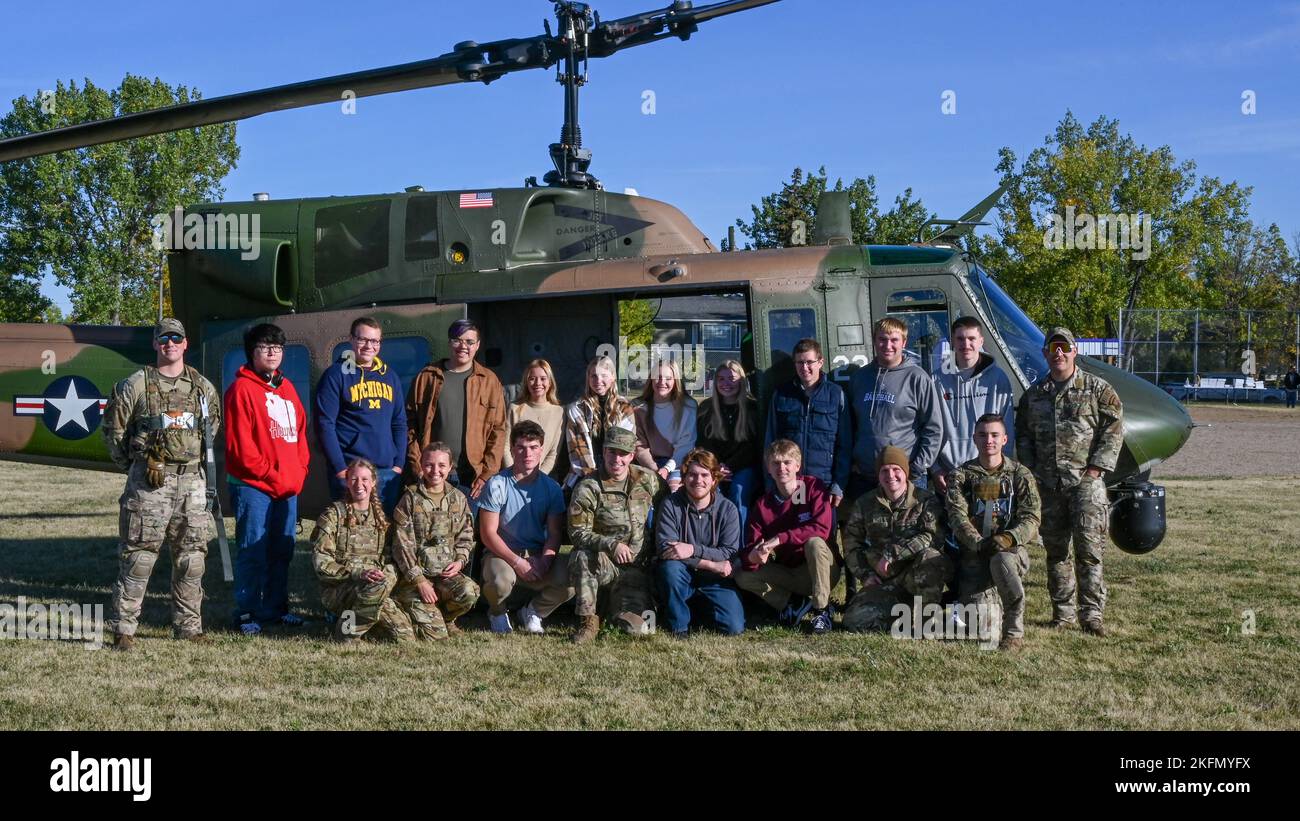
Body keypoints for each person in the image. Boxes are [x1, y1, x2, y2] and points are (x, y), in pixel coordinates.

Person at [101, 318, 222, 650]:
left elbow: (211, 429)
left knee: (192, 557)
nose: (170, 343)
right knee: (139, 557)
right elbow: (114, 432)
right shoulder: (136, 384)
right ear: (155, 344)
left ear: (185, 344)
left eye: (176, 338)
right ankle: (124, 629)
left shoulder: (202, 388)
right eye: (163, 338)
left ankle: (189, 627)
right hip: (150, 484)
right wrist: (137, 465)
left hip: (192, 484)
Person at [1015, 327, 1123, 636]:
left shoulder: (1098, 389)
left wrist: (1096, 470)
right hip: (1048, 487)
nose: (1058, 352)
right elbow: (1023, 436)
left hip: (1086, 485)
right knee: (1056, 552)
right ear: (1045, 353)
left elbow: (1113, 430)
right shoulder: (1033, 396)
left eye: (1064, 347)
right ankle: (1062, 614)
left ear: (1074, 351)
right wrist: (1032, 471)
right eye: (1053, 348)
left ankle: (1092, 614)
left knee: (1089, 552)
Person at [223, 322, 311, 636]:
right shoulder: (241, 390)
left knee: (282, 549)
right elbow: (240, 449)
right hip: (254, 487)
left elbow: (300, 434)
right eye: (264, 346)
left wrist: (299, 471)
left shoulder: (286, 389)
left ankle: (275, 608)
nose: (272, 352)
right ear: (252, 352)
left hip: (287, 487)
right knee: (252, 550)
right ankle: (247, 612)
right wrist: (271, 475)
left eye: (277, 346)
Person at [945, 414, 1040, 651]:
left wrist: (1008, 538)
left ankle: (1014, 632)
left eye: (995, 435)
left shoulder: (1020, 474)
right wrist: (978, 543)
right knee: (980, 626)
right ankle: (989, 602)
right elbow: (957, 516)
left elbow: (1032, 517)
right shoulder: (960, 476)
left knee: (1002, 561)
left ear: (1005, 439)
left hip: (1009, 552)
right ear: (974, 439)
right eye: (983, 435)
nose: (989, 440)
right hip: (974, 555)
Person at [567, 426, 665, 643]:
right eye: (612, 452)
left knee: (642, 630)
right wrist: (611, 545)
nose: (617, 459)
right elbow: (577, 532)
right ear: (604, 452)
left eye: (623, 453)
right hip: (605, 564)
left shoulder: (648, 479)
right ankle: (588, 622)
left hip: (637, 569)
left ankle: (613, 607)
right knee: (582, 556)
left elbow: (669, 506)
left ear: (631, 455)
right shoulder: (589, 486)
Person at [841, 446, 952, 633]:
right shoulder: (865, 503)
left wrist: (893, 554)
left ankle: (926, 620)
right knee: (853, 621)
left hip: (917, 575)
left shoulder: (925, 500)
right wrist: (866, 574)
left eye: (896, 469)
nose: (890, 475)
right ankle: (904, 616)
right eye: (884, 470)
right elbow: (851, 543)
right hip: (885, 581)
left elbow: (932, 537)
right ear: (878, 475)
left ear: (905, 473)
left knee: (931, 556)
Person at [478, 420, 573, 634]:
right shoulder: (497, 484)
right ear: (512, 450)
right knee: (499, 581)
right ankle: (497, 612)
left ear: (541, 449)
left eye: (533, 447)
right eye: (520, 447)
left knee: (575, 575)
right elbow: (488, 533)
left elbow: (555, 532)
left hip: (537, 555)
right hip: (501, 556)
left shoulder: (552, 488)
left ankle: (533, 611)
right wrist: (517, 562)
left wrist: (545, 561)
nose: (527, 453)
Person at [736, 440, 838, 634]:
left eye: (787, 462)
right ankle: (794, 604)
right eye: (775, 463)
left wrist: (780, 539)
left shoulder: (813, 487)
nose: (781, 468)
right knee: (743, 575)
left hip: (821, 569)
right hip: (790, 572)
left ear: (797, 466)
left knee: (814, 543)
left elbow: (821, 529)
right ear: (768, 469)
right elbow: (751, 545)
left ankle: (821, 611)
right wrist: (754, 556)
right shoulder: (763, 505)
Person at [311, 458, 413, 643]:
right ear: (347, 481)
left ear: (373, 482)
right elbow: (322, 563)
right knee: (377, 589)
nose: (359, 485)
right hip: (341, 588)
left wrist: (384, 577)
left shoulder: (382, 519)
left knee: (404, 637)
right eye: (354, 479)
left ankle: (365, 625)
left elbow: (392, 560)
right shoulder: (333, 515)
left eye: (365, 479)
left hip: (377, 587)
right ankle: (346, 633)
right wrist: (359, 573)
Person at [405, 319, 507, 503]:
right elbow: (410, 424)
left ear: (477, 345)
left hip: (473, 477)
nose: (463, 346)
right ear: (449, 342)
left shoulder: (489, 381)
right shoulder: (427, 377)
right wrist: (417, 464)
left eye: (469, 342)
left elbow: (498, 430)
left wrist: (487, 473)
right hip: (433, 475)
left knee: (469, 531)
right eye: (457, 340)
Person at [315, 316, 407, 513]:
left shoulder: (390, 376)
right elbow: (325, 425)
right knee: (350, 533)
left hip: (385, 472)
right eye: (363, 339)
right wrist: (340, 468)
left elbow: (399, 423)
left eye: (374, 341)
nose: (368, 346)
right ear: (351, 339)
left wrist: (398, 465)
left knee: (384, 530)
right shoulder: (336, 375)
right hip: (351, 471)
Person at [389, 443, 481, 640]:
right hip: (414, 580)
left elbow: (465, 535)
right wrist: (419, 581)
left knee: (469, 591)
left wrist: (459, 561)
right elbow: (401, 546)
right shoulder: (410, 498)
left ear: (450, 468)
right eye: (429, 465)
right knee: (435, 636)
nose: (435, 471)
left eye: (441, 465)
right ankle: (406, 607)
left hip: (445, 576)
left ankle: (447, 618)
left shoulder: (458, 499)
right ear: (421, 465)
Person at [847, 317, 943, 499]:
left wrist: (916, 468)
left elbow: (934, 429)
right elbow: (850, 425)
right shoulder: (859, 378)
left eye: (894, 340)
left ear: (904, 342)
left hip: (904, 478)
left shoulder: (918, 378)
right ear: (875, 341)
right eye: (882, 339)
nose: (887, 345)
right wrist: (853, 462)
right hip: (865, 478)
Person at [653, 448, 745, 637]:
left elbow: (728, 552)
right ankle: (679, 626)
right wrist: (710, 563)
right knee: (670, 568)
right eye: (692, 475)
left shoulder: (728, 509)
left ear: (714, 479)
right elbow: (666, 549)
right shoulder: (671, 504)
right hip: (683, 573)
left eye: (704, 475)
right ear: (684, 478)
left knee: (734, 627)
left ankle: (695, 608)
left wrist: (691, 549)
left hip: (714, 578)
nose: (698, 480)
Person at [931, 316, 1016, 493]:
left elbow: (1006, 427)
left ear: (981, 341)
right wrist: (935, 469)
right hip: (950, 475)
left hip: (989, 473)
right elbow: (930, 427)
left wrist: (1003, 470)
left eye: (971, 339)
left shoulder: (997, 379)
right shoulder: (937, 380)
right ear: (952, 341)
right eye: (960, 339)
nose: (966, 344)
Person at [763, 338, 850, 507]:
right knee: (793, 532)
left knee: (822, 533)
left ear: (820, 362)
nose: (805, 368)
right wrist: (770, 482)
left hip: (823, 484)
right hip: (790, 483)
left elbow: (844, 444)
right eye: (800, 362)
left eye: (809, 362)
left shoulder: (836, 395)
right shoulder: (781, 394)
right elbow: (770, 440)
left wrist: (839, 485)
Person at [696, 359, 761, 531]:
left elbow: (753, 446)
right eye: (721, 379)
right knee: (711, 494)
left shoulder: (753, 408)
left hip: (744, 466)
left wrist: (730, 467)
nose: (726, 383)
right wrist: (716, 467)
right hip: (714, 466)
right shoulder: (706, 408)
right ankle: (716, 546)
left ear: (741, 380)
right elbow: (704, 443)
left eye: (732, 378)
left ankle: (739, 549)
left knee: (738, 492)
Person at [564, 354, 636, 490]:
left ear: (613, 377)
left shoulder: (625, 408)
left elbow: (625, 447)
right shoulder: (576, 410)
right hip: (584, 472)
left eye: (604, 375)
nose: (598, 380)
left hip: (616, 468)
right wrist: (593, 477)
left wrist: (610, 475)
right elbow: (577, 449)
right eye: (594, 376)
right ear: (588, 379)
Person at [633, 357, 697, 493]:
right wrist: (655, 469)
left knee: (674, 492)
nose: (662, 382)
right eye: (658, 377)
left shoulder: (688, 406)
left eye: (668, 378)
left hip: (679, 463)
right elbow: (639, 445)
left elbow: (686, 444)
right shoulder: (638, 407)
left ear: (676, 381)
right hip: (650, 464)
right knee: (644, 494)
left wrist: (667, 469)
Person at [503, 358, 565, 478]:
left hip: (542, 478)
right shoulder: (515, 408)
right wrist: (515, 475)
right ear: (526, 382)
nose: (537, 383)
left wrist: (537, 478)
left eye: (543, 378)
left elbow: (553, 453)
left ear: (550, 382)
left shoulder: (559, 412)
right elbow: (506, 446)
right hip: (513, 478)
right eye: (532, 379)